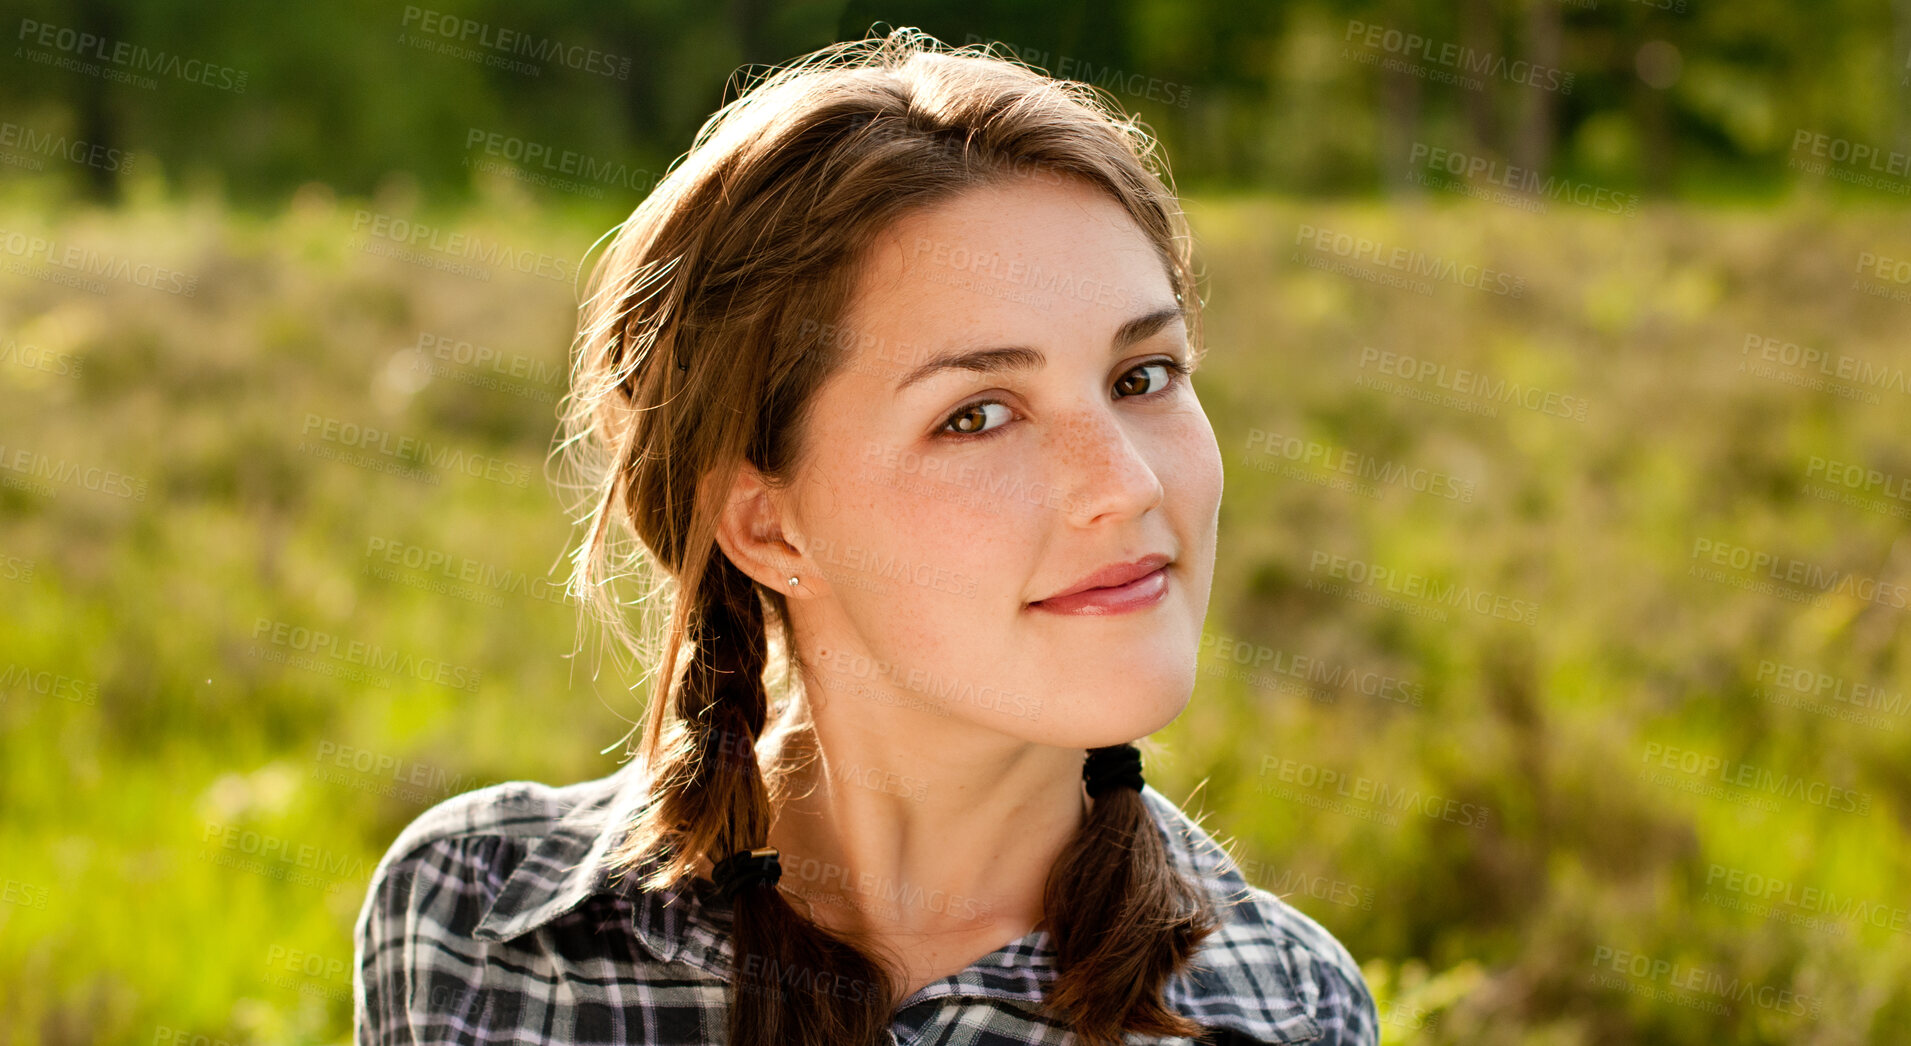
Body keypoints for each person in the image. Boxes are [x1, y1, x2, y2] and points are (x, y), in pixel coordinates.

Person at [354, 26, 1377, 1046]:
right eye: (976, 413)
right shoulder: (477, 926)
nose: (1128, 482)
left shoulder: (1283, 1009)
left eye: (1141, 375)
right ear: (766, 523)